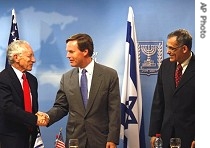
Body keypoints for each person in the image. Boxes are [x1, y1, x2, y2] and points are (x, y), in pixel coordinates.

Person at [38, 33, 121, 148]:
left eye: (71, 52)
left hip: (101, 139)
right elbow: (61, 107)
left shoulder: (109, 75)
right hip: (75, 139)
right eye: (67, 51)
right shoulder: (66, 78)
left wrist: (112, 138)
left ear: (85, 51)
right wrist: (47, 117)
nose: (67, 55)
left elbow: (114, 110)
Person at [148, 29, 195, 148]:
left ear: (184, 49)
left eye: (172, 48)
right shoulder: (165, 65)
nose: (167, 51)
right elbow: (158, 102)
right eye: (167, 47)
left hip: (190, 138)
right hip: (166, 135)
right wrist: (154, 133)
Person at [0, 40, 46, 148]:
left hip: (32, 137)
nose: (33, 60)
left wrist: (38, 115)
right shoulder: (3, 79)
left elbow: (30, 107)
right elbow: (8, 108)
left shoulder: (32, 80)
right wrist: (34, 119)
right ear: (16, 57)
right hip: (11, 139)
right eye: (30, 56)